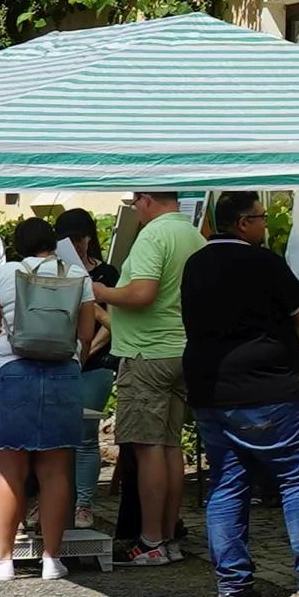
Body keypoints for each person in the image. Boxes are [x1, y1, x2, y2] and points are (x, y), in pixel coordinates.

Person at [184, 191, 299, 597]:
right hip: (267, 389)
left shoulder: (196, 263)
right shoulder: (263, 262)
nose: (266, 225)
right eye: (261, 218)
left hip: (210, 389)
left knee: (226, 483)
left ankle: (233, 584)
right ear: (243, 223)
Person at [0, 209, 98, 582]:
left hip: (15, 372)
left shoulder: (6, 273)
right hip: (63, 374)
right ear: (53, 244)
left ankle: (4, 560)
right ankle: (52, 559)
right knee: (56, 471)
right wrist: (74, 359)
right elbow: (86, 333)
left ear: (17, 246)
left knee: (10, 471)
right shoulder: (76, 275)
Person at [92, 191, 199, 565]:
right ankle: (167, 538)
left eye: (136, 202)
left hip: (147, 353)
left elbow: (142, 292)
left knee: (148, 447)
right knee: (170, 447)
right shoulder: (192, 233)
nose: (135, 209)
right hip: (180, 348)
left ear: (149, 200)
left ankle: (151, 540)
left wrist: (101, 292)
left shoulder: (154, 235)